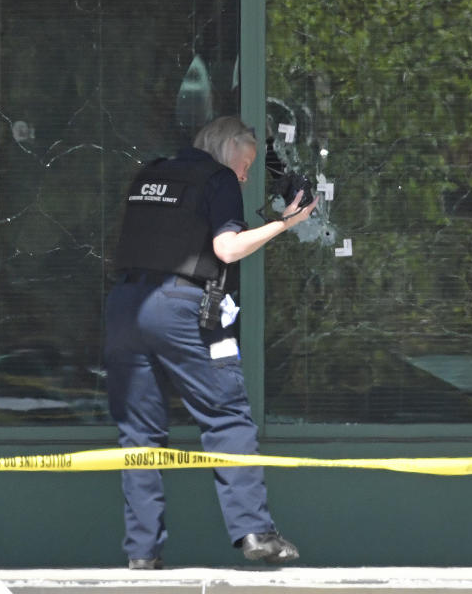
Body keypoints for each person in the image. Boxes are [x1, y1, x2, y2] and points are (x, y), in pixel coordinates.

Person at [105, 115, 318, 569]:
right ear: (226, 150)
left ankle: (143, 555)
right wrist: (286, 222)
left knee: (139, 435)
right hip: (181, 307)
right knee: (226, 418)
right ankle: (256, 531)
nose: (244, 176)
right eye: (245, 165)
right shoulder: (216, 177)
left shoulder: (149, 173)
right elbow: (227, 250)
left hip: (125, 306)